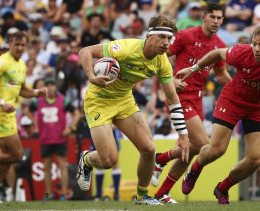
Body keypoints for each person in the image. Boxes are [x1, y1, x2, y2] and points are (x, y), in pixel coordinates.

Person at [176, 23, 260, 204]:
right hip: (232, 100)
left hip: (259, 106)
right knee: (216, 150)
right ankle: (195, 168)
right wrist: (194, 68)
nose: (256, 49)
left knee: (256, 159)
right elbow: (217, 53)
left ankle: (222, 188)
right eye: (254, 44)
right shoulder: (242, 52)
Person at [77, 15, 190, 205]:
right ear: (149, 36)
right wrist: (91, 76)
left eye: (170, 39)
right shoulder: (126, 48)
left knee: (149, 149)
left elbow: (172, 98)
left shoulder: (162, 63)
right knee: (108, 161)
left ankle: (142, 196)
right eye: (162, 37)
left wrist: (183, 135)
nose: (166, 43)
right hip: (99, 101)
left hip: (124, 100)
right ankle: (87, 160)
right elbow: (85, 51)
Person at [150, 3, 231, 204]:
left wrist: (241, 88)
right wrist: (170, 80)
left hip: (198, 98)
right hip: (179, 95)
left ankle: (161, 190)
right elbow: (159, 56)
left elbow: (221, 75)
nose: (216, 21)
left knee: (192, 150)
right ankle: (160, 161)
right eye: (212, 17)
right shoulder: (186, 35)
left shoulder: (219, 44)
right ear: (203, 17)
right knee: (204, 144)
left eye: (219, 18)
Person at [0, 31, 47, 203]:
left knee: (7, 157)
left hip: (8, 113)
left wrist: (38, 92)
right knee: (16, 155)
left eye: (23, 45)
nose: (20, 48)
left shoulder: (22, 65)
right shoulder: (2, 62)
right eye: (17, 44)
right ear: (9, 45)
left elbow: (22, 90)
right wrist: (1, 102)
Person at [24, 77, 81, 200]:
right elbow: (26, 111)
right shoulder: (38, 101)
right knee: (47, 168)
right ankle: (48, 194)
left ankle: (64, 193)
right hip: (45, 139)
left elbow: (77, 114)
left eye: (52, 85)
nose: (50, 87)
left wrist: (71, 128)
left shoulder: (63, 101)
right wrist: (35, 122)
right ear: (45, 87)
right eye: (47, 85)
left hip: (60, 139)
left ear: (56, 87)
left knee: (62, 166)